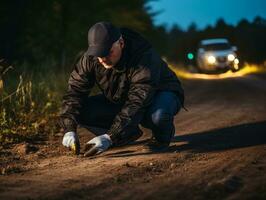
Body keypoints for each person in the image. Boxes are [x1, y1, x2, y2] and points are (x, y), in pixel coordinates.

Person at [59, 21, 184, 157]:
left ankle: (162, 138)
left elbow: (138, 100)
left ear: (121, 43)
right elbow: (75, 91)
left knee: (157, 116)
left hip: (160, 92)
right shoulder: (91, 58)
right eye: (99, 54)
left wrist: (110, 136)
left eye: (108, 52)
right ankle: (127, 135)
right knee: (81, 111)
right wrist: (69, 128)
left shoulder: (143, 55)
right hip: (123, 97)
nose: (103, 59)